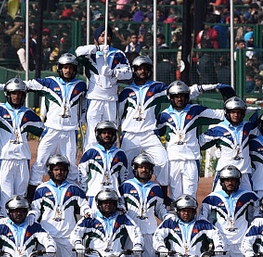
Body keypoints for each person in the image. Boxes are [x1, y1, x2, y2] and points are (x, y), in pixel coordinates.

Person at [30, 154, 88, 257]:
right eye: (56, 169)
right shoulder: (41, 189)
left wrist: (87, 212)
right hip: (46, 236)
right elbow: (35, 209)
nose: (59, 172)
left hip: (67, 235)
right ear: (50, 171)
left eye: (62, 170)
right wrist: (31, 217)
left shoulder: (74, 189)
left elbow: (83, 205)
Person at [25, 53, 88, 194]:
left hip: (70, 131)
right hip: (51, 129)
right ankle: (32, 194)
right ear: (59, 68)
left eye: (71, 68)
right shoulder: (50, 82)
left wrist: (83, 115)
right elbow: (26, 85)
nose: (68, 71)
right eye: (65, 67)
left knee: (71, 164)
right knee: (40, 161)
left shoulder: (81, 85)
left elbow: (84, 101)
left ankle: (71, 195)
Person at [200, 165, 258, 257]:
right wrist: (208, 241)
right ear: (221, 181)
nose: (230, 183)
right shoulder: (212, 198)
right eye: (227, 180)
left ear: (238, 181)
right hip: (221, 245)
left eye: (233, 180)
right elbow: (203, 220)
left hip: (241, 244)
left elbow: (256, 217)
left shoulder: (249, 196)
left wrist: (253, 237)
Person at [156, 80, 225, 200]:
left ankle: (192, 219)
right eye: (176, 96)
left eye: (182, 96)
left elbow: (220, 115)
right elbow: (158, 132)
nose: (179, 99)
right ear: (170, 97)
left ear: (187, 97)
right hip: (173, 159)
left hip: (191, 159)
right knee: (175, 196)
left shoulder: (195, 110)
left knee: (190, 196)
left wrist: (241, 108)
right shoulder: (164, 115)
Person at [119, 153, 169, 257]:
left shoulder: (156, 188)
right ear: (135, 169)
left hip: (150, 232)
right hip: (131, 234)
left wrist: (167, 217)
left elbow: (159, 208)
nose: (144, 170)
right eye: (141, 167)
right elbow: (120, 206)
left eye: (147, 168)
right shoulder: (125, 186)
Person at [0, 78, 43, 207]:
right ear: (7, 94)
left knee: (20, 197)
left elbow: (44, 131)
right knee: (6, 197)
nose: (17, 96)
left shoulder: (29, 114)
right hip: (5, 159)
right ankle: (5, 225)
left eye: (20, 93)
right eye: (13, 93)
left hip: (23, 159)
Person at [118, 56, 171, 194]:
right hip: (130, 135)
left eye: (145, 69)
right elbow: (118, 114)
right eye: (139, 69)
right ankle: (125, 194)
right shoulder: (126, 92)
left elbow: (175, 92)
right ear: (134, 70)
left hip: (149, 134)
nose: (142, 71)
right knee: (125, 165)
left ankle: (163, 194)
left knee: (163, 161)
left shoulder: (157, 87)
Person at [75, 27, 131, 147]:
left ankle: (110, 161)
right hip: (94, 98)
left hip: (111, 100)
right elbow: (78, 52)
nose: (105, 38)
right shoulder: (91, 53)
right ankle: (89, 161)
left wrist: (113, 73)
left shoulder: (118, 54)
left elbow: (128, 73)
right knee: (92, 134)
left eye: (108, 35)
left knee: (111, 131)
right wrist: (98, 49)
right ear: (96, 38)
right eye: (102, 35)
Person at [201, 96, 258, 190]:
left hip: (244, 174)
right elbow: (200, 143)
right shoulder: (218, 129)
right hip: (224, 174)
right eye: (233, 112)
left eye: (239, 112)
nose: (236, 115)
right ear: (227, 113)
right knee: (218, 202)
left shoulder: (248, 127)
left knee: (248, 202)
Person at [78, 120, 128, 201]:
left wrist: (122, 198)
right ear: (99, 135)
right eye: (104, 133)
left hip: (114, 196)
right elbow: (82, 175)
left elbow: (123, 177)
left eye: (109, 133)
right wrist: (84, 195)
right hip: (93, 195)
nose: (107, 135)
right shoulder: (90, 152)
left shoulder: (120, 154)